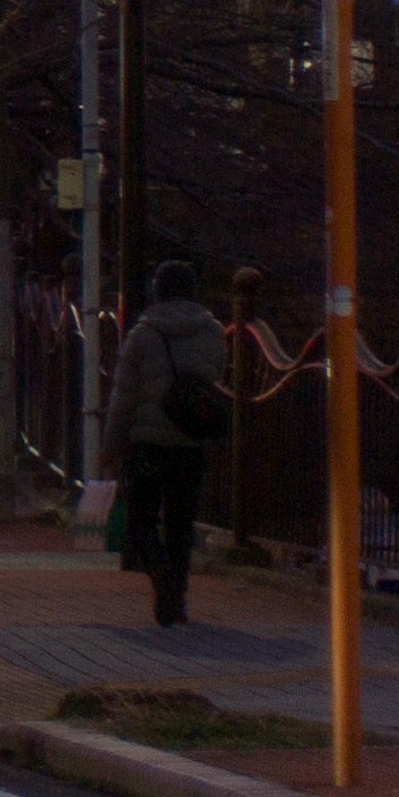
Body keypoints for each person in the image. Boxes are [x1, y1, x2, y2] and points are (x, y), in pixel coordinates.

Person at [100, 259, 230, 626]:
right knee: (180, 522)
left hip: (148, 443)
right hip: (190, 441)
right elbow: (218, 373)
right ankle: (176, 604)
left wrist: (111, 445)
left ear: (157, 290)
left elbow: (123, 396)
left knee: (140, 520)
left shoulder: (144, 333)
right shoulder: (213, 331)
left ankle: (158, 569)